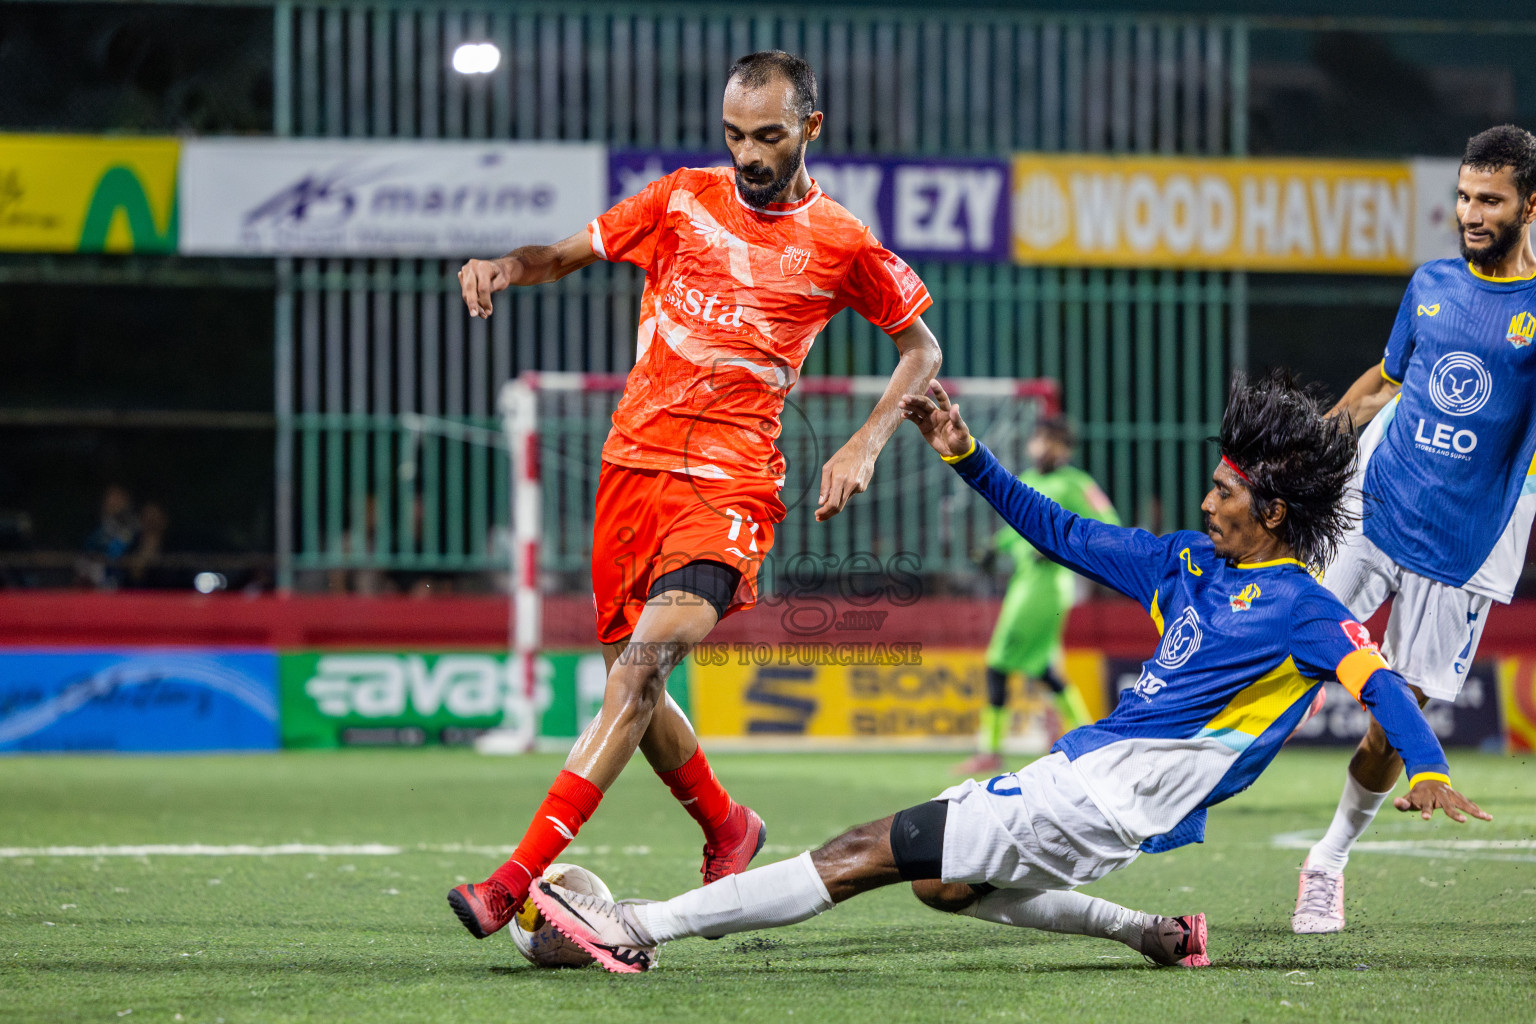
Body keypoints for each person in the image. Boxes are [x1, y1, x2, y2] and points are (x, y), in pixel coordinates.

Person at [524, 372, 1489, 974]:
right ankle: (1152, 933)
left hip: (1094, 799)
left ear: (1273, 514)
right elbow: (1062, 532)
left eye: (1226, 492)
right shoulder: (1184, 565)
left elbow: (1384, 686)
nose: (1207, 500)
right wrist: (969, 458)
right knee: (942, 885)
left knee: (862, 853)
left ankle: (638, 923)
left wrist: (1430, 768)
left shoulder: (1302, 610)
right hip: (1088, 791)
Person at [446, 50, 943, 939]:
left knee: (640, 669)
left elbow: (922, 349)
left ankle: (510, 881)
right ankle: (728, 824)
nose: (747, 155)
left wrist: (865, 444)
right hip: (629, 471)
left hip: (728, 484)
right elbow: (562, 254)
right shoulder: (679, 197)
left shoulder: (842, 241)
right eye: (734, 136)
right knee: (629, 686)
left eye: (768, 137)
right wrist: (505, 268)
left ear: (810, 130)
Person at [1291, 124, 1536, 935]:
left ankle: (1326, 860)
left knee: (1392, 730)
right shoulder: (1430, 283)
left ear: (1529, 206)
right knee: (1278, 646)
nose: (1471, 211)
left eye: (1490, 200)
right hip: (1375, 507)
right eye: (1465, 196)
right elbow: (1385, 383)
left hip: (1462, 549)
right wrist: (1309, 446)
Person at [955, 415, 1118, 776]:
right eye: (1038, 439)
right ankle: (1091, 737)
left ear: (1064, 448)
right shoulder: (1028, 480)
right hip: (1024, 583)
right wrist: (993, 549)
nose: (1040, 446)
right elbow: (1016, 531)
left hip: (1046, 586)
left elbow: (1110, 524)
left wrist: (1063, 546)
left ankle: (990, 751)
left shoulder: (1076, 483)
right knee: (1043, 669)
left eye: (1049, 440)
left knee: (998, 662)